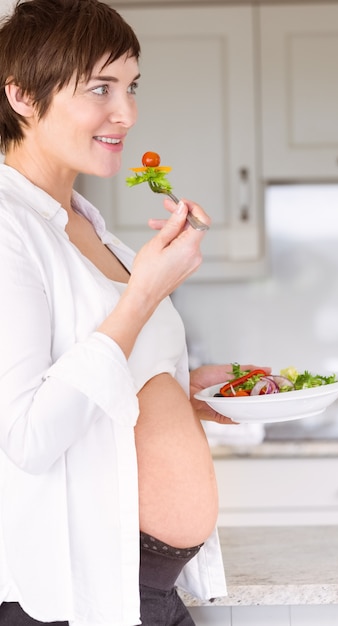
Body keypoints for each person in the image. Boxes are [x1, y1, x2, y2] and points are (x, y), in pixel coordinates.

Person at [0, 1, 269, 624]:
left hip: (146, 588)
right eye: (100, 87)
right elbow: (28, 437)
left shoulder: (94, 230)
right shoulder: (10, 228)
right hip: (74, 598)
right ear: (20, 95)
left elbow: (106, 383)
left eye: (131, 85)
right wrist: (144, 293)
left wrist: (183, 391)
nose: (128, 112)